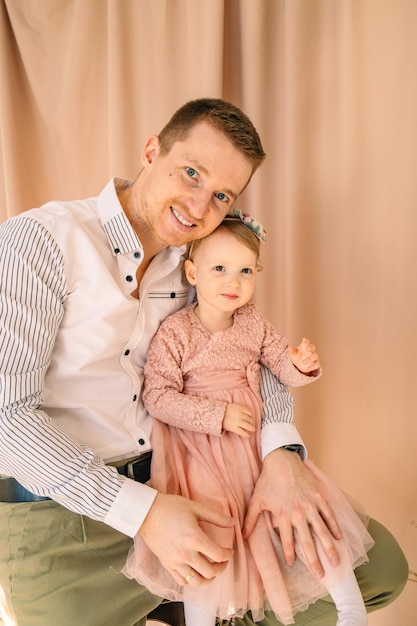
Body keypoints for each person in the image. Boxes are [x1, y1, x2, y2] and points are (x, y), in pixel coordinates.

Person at [0, 98, 408, 626]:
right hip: (64, 513)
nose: (198, 206)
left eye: (221, 195)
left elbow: (251, 351)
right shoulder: (40, 242)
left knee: (380, 571)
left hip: (198, 481)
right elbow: (6, 417)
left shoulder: (202, 257)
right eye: (190, 172)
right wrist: (142, 512)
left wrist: (281, 453)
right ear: (151, 151)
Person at [123, 215, 374, 626]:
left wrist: (300, 365)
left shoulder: (253, 321)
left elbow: (279, 363)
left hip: (255, 444)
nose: (232, 282)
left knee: (300, 514)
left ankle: (351, 610)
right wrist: (216, 415)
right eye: (219, 269)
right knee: (212, 530)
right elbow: (158, 397)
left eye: (244, 271)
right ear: (192, 272)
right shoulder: (176, 332)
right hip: (201, 450)